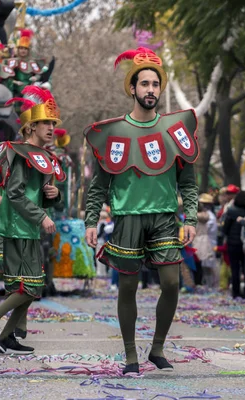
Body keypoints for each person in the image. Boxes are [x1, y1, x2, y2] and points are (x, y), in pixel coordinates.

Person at [83, 47, 199, 375]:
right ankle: (131, 354)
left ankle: (158, 347)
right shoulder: (113, 134)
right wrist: (91, 220)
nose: (150, 90)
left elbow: (188, 183)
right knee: (128, 287)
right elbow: (99, 186)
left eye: (155, 84)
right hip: (127, 217)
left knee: (172, 283)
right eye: (144, 84)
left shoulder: (176, 131)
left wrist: (190, 217)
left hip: (164, 216)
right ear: (132, 89)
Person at [0, 87, 65, 354]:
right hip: (17, 228)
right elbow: (14, 193)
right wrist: (42, 216)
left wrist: (54, 196)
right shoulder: (22, 154)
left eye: (53, 123)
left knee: (30, 287)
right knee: (29, 286)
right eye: (45, 123)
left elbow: (42, 197)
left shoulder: (45, 158)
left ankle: (8, 334)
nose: (51, 128)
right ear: (30, 127)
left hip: (29, 228)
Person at [223, 191, 245, 299]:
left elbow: (226, 228)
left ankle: (236, 292)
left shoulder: (231, 211)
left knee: (235, 268)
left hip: (233, 243)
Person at [7, 29, 43, 99]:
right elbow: (7, 77)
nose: (23, 50)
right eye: (21, 48)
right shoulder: (13, 61)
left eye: (25, 49)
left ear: (28, 50)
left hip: (29, 91)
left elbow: (39, 74)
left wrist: (35, 77)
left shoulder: (32, 62)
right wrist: (15, 82)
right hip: (15, 90)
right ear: (18, 49)